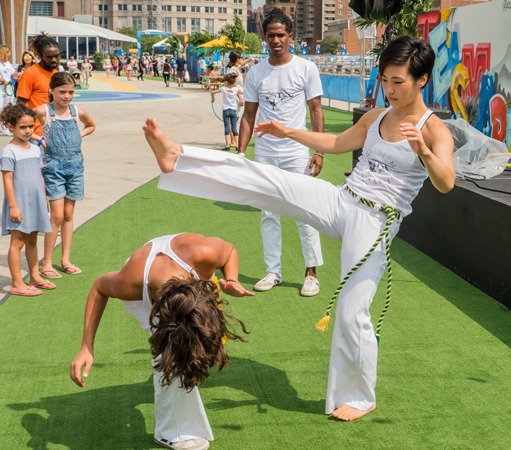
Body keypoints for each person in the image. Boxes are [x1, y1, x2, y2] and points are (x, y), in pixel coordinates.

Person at [143, 35, 455, 421]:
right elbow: (338, 141)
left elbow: (446, 182)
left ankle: (359, 396)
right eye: (385, 80)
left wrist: (423, 151)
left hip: (376, 222)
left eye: (398, 82)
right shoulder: (377, 116)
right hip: (344, 200)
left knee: (351, 310)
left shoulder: (433, 128)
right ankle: (180, 157)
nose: (389, 89)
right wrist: (289, 132)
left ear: (421, 79)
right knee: (272, 181)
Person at [70, 233, 253, 449]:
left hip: (185, 273)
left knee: (204, 344)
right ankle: (171, 432)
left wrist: (231, 280)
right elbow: (99, 287)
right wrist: (86, 347)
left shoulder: (205, 254)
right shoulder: (131, 284)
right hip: (146, 289)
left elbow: (230, 250)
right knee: (172, 358)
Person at [238, 8, 325, 297]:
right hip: (265, 153)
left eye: (280, 34)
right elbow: (248, 116)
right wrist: (240, 154)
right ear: (264, 37)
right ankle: (273, 271)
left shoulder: (306, 69)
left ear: (290, 36)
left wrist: (318, 150)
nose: (275, 40)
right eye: (270, 35)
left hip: (297, 152)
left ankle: (311, 273)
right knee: (268, 213)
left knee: (304, 211)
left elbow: (315, 111)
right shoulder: (255, 72)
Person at [33, 73, 95, 278]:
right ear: (51, 90)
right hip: (53, 167)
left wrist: (80, 134)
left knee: (68, 215)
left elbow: (91, 125)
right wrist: (37, 138)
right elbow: (20, 123)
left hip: (76, 166)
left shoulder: (77, 111)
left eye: (70, 92)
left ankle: (65, 259)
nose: (67, 96)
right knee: (56, 215)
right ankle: (46, 263)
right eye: (62, 92)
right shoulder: (44, 111)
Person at [0, 103, 54, 296]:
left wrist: (44, 200)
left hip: (35, 202)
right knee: (18, 242)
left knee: (32, 241)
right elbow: (7, 181)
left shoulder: (34, 148)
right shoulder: (9, 151)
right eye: (22, 127)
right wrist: (13, 206)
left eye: (31, 126)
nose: (28, 130)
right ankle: (16, 284)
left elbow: (39, 175)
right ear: (10, 126)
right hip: (19, 203)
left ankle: (34, 277)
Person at [16, 33, 59, 139]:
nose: (54, 60)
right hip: (37, 133)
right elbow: (21, 104)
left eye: (56, 56)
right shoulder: (30, 73)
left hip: (55, 129)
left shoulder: (56, 73)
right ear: (40, 55)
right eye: (49, 57)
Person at [211, 73, 244, 152]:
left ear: (226, 82)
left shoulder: (223, 89)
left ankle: (227, 145)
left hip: (226, 110)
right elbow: (244, 93)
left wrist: (213, 99)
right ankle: (237, 145)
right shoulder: (236, 89)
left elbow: (212, 92)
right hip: (233, 110)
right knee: (234, 128)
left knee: (226, 128)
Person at [0, 45, 15, 136]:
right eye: (8, 51)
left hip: (9, 88)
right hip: (1, 88)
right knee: (0, 108)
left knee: (7, 108)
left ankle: (5, 128)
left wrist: (21, 75)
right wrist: (2, 81)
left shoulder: (7, 63)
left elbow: (13, 73)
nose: (10, 53)